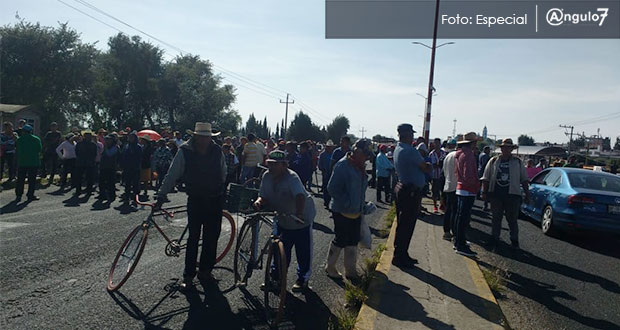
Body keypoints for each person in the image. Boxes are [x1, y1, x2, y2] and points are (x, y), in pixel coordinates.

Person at [156, 122, 227, 290]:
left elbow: (223, 172)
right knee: (193, 238)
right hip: (196, 199)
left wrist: (218, 187)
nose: (204, 140)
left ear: (210, 137)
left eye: (207, 137)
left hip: (215, 199)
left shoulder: (217, 151)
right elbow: (172, 174)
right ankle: (188, 275)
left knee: (212, 237)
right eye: (201, 136)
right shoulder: (185, 151)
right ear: (196, 136)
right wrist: (161, 195)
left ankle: (205, 270)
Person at [253, 150, 316, 292]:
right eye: (270, 164)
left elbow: (300, 196)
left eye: (276, 165)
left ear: (284, 165)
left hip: (300, 219)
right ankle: (276, 278)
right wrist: (258, 202)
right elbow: (263, 195)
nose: (272, 167)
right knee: (279, 250)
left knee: (303, 251)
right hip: (282, 217)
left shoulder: (292, 177)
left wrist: (299, 213)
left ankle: (302, 279)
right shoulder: (267, 176)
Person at [325, 139, 374, 280]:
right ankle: (330, 267)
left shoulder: (360, 166)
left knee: (353, 240)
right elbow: (332, 188)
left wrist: (361, 205)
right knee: (340, 239)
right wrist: (348, 203)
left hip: (356, 211)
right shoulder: (342, 166)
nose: (367, 158)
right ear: (356, 152)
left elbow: (359, 189)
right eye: (365, 154)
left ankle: (350, 271)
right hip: (341, 210)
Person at [392, 124, 431, 268]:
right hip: (410, 192)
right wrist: (429, 166)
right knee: (407, 225)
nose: (413, 137)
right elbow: (424, 167)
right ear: (408, 135)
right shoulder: (411, 151)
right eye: (412, 135)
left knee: (403, 225)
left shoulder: (398, 149)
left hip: (403, 188)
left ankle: (402, 253)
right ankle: (400, 256)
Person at [481, 138, 530, 251]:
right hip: (496, 194)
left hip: (512, 195)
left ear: (511, 149)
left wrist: (527, 194)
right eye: (504, 147)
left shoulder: (517, 162)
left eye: (508, 147)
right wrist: (484, 192)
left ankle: (514, 241)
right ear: (501, 148)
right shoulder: (493, 161)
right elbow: (486, 177)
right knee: (496, 218)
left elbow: (524, 179)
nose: (506, 149)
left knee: (512, 219)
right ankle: (495, 239)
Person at [454, 132, 480, 257]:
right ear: (472, 143)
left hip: (461, 188)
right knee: (463, 218)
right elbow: (468, 175)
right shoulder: (469, 155)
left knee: (460, 217)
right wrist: (476, 184)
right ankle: (460, 245)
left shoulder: (460, 154)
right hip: (468, 189)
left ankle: (458, 241)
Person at [15, 124, 42, 201]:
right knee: (32, 180)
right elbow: (39, 150)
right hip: (33, 162)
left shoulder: (19, 140)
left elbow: (17, 150)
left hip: (22, 162)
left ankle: (19, 194)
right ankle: (30, 195)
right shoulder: (36, 139)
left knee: (20, 179)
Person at [441, 139, 458, 241]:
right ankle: (454, 232)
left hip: (447, 185)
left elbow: (442, 173)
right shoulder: (457, 156)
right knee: (454, 211)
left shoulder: (446, 156)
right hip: (455, 187)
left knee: (448, 210)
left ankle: (447, 231)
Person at [120, 131, 143, 204]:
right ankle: (127, 197)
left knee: (135, 183)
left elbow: (139, 158)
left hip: (135, 167)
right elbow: (123, 155)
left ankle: (135, 198)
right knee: (127, 183)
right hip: (127, 167)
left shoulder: (138, 147)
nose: (130, 139)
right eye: (129, 137)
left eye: (132, 137)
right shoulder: (126, 146)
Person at [74, 130, 98, 196]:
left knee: (88, 178)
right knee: (82, 178)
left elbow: (94, 154)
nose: (88, 137)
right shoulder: (81, 144)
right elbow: (77, 152)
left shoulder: (92, 144)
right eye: (86, 135)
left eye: (89, 135)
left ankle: (85, 191)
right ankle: (82, 191)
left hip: (86, 162)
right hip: (83, 162)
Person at [99, 134, 119, 201]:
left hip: (111, 167)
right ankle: (102, 195)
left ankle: (112, 196)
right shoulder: (105, 147)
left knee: (111, 182)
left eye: (109, 140)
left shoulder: (115, 147)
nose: (107, 141)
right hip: (103, 166)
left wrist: (105, 148)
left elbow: (110, 154)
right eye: (106, 139)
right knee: (101, 182)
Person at [428, 138, 446, 213]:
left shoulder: (444, 153)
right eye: (435, 143)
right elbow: (432, 165)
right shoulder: (431, 154)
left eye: (438, 143)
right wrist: (438, 164)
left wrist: (438, 164)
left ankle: (441, 204)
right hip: (434, 175)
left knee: (443, 191)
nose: (437, 145)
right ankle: (435, 206)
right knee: (434, 192)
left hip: (442, 175)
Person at [318, 140, 335, 207]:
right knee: (325, 187)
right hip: (325, 173)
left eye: (330, 147)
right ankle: (326, 201)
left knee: (332, 187)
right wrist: (322, 169)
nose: (329, 148)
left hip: (333, 173)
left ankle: (331, 201)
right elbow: (319, 164)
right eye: (328, 147)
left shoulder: (334, 154)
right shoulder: (322, 154)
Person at [478, 146, 491, 211]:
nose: (489, 151)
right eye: (488, 150)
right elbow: (485, 165)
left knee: (480, 185)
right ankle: (485, 203)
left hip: (480, 171)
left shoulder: (480, 155)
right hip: (484, 172)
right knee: (485, 187)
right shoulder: (485, 156)